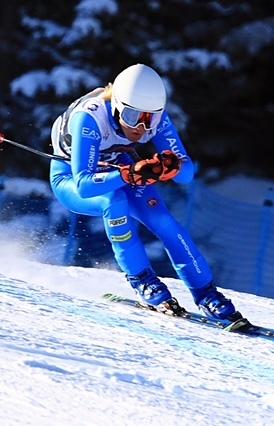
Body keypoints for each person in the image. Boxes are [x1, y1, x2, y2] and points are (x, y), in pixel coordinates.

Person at [49, 63, 242, 322]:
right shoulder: (90, 118)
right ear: (117, 107)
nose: (141, 127)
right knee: (114, 201)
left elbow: (187, 175)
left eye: (150, 119)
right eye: (132, 117)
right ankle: (143, 281)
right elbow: (84, 184)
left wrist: (171, 167)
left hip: (121, 168)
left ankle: (207, 294)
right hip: (71, 178)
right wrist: (127, 174)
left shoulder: (157, 119)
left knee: (162, 219)